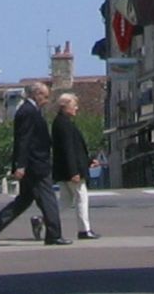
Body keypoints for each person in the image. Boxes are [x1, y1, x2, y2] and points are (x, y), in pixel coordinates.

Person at [0, 81, 64, 246]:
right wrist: (20, 165)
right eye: (45, 97)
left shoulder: (33, 110)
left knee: (24, 200)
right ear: (37, 95)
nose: (46, 100)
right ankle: (54, 235)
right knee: (48, 199)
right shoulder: (27, 112)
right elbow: (23, 140)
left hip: (34, 163)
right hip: (35, 165)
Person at [52, 93, 98, 240]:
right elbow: (68, 149)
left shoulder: (61, 122)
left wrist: (88, 161)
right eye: (74, 105)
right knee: (81, 198)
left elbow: (75, 149)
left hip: (64, 169)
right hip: (71, 171)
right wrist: (74, 171)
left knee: (66, 200)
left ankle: (44, 219)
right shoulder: (64, 124)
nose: (76, 108)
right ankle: (84, 230)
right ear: (64, 106)